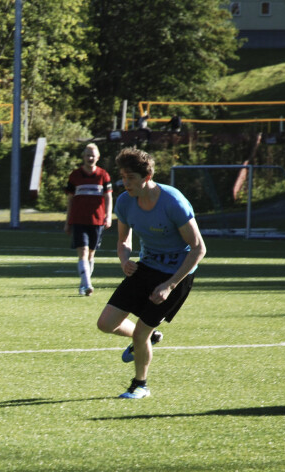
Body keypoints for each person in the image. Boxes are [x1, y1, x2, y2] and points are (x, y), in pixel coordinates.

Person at [96, 148, 206, 399]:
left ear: (147, 177)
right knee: (106, 324)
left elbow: (199, 248)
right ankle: (152, 337)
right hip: (146, 267)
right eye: (123, 177)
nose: (126, 183)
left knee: (140, 333)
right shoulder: (125, 202)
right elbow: (123, 241)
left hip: (177, 274)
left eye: (131, 178)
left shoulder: (173, 202)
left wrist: (170, 285)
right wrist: (125, 260)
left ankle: (140, 385)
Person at [64, 143, 113, 296]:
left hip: (97, 221)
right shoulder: (75, 175)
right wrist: (67, 221)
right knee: (83, 251)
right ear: (83, 157)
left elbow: (108, 197)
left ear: (98, 157)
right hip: (78, 220)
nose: (90, 158)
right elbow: (70, 200)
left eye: (93, 155)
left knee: (91, 254)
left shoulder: (103, 175)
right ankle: (88, 284)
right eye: (87, 155)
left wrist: (108, 216)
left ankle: (83, 284)